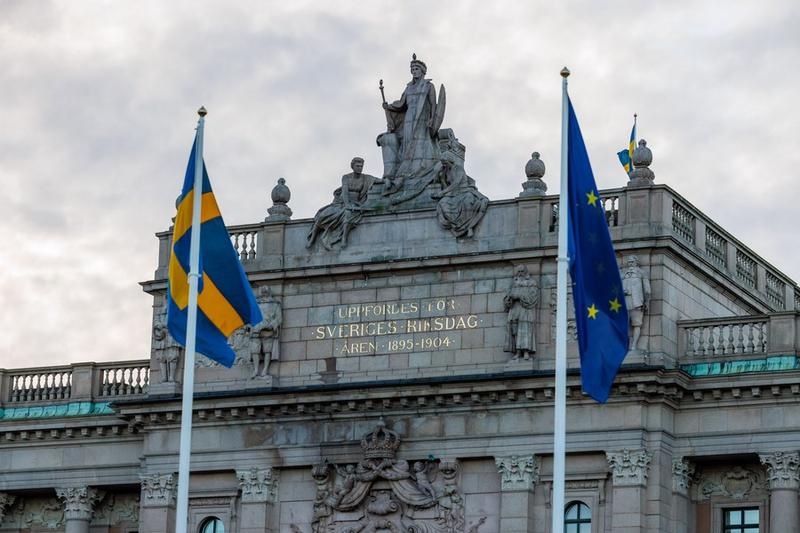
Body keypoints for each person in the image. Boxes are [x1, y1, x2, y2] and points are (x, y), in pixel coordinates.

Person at [378, 54, 441, 194]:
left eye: (417, 68)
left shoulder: (429, 86)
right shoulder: (408, 88)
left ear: (423, 71)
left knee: (420, 143)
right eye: (412, 69)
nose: (414, 71)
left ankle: (419, 168)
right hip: (408, 119)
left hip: (422, 118)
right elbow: (401, 104)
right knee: (408, 143)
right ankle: (407, 169)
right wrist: (389, 107)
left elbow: (433, 103)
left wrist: (432, 118)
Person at [306, 158, 376, 250]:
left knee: (348, 215)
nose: (360, 168)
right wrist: (347, 205)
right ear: (353, 166)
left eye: (361, 166)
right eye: (357, 166)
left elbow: (377, 180)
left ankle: (344, 239)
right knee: (322, 215)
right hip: (341, 203)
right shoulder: (346, 177)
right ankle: (312, 239)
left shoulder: (365, 178)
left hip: (356, 204)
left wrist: (386, 181)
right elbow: (345, 192)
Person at [503, 265, 538, 360]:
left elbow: (533, 297)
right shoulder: (513, 283)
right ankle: (517, 352)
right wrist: (509, 299)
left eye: (522, 271)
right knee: (515, 330)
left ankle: (526, 352)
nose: (520, 274)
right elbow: (507, 297)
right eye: (518, 272)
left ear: (526, 272)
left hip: (525, 310)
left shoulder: (531, 283)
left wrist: (518, 296)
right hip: (514, 309)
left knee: (525, 330)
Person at [248, 286, 282, 378]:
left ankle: (265, 370)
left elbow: (278, 319)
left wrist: (271, 325)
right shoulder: (255, 304)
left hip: (267, 330)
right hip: (256, 329)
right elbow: (250, 316)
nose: (264, 294)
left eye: (265, 292)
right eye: (262, 292)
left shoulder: (275, 304)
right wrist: (250, 326)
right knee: (255, 350)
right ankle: (255, 370)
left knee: (267, 350)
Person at [622, 255, 651, 351]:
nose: (630, 263)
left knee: (637, 324)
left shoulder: (642, 273)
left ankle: (634, 345)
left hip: (637, 303)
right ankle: (624, 345)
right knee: (623, 324)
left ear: (636, 263)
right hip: (624, 302)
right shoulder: (623, 274)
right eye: (629, 262)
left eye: (632, 261)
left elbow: (647, 290)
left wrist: (646, 302)